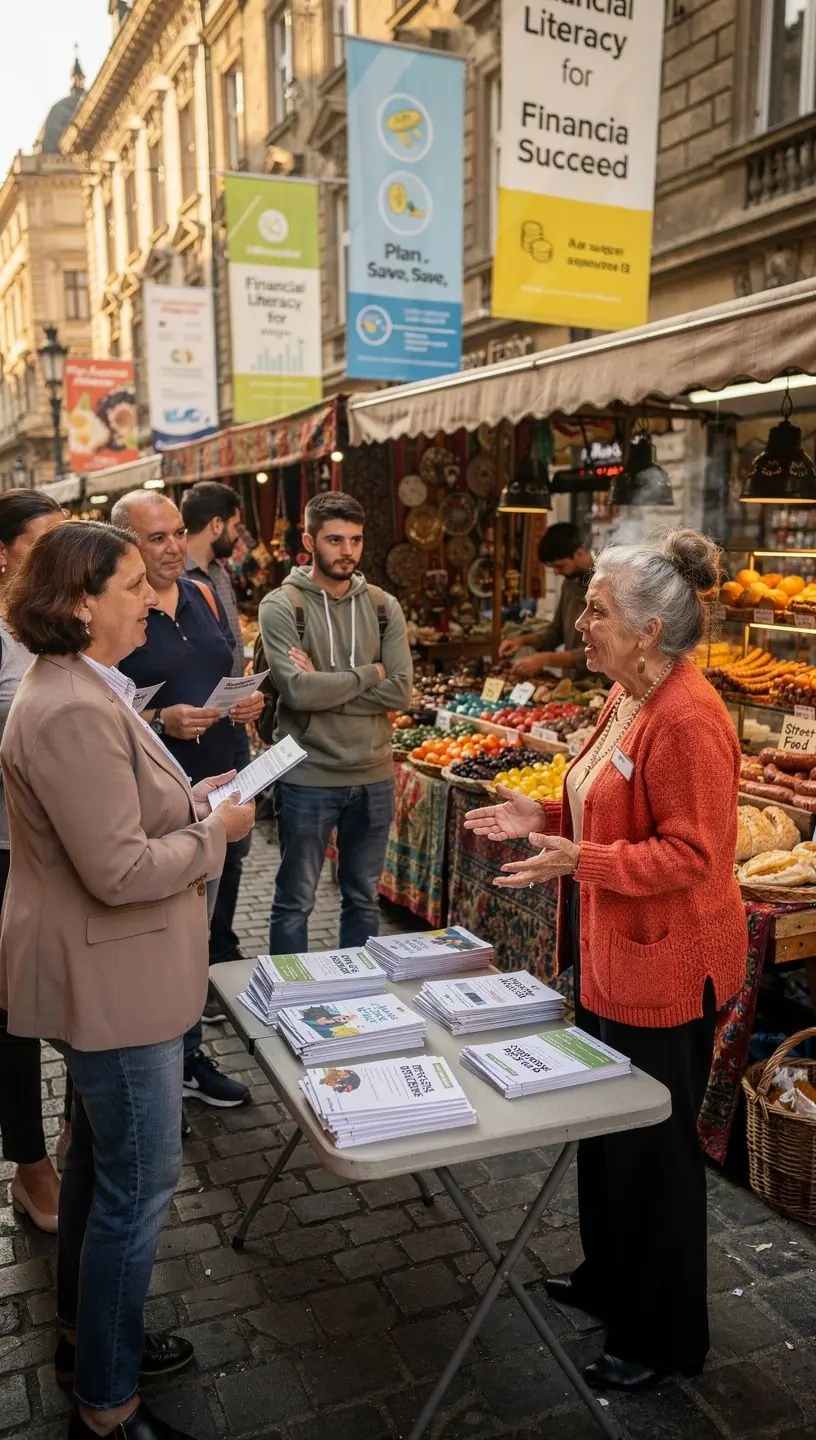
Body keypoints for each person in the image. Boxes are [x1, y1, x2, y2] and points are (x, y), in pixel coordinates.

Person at [465, 528, 747, 1391]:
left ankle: (664, 1335)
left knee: (656, 1154)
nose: (581, 623)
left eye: (596, 610)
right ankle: (607, 1277)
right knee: (604, 1129)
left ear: (649, 630)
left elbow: (693, 853)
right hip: (614, 956)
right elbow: (604, 804)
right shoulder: (624, 696)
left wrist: (576, 860)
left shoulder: (689, 718)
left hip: (667, 966)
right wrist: (542, 818)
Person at [0, 521, 255, 1440]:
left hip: (116, 970)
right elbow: (114, 870)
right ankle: (107, 1404)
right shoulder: (68, 704)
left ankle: (89, 1336)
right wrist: (212, 835)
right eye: (132, 585)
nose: (151, 599)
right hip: (115, 977)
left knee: (99, 1166)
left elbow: (116, 816)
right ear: (80, 603)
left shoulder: (85, 689)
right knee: (134, 1187)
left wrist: (189, 799)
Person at [111, 491, 263, 1106]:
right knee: (166, 940)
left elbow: (224, 662)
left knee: (198, 935)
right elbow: (103, 707)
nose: (174, 546)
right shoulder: (115, 611)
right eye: (157, 538)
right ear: (126, 544)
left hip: (219, 780)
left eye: (178, 533)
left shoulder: (199, 593)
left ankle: (185, 1055)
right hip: (157, 796)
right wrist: (159, 721)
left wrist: (244, 701)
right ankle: (164, 1064)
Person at [260, 492, 412, 953]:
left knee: (363, 900)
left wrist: (324, 689)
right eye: (334, 539)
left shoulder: (384, 606)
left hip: (374, 776)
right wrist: (369, 674)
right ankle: (287, 1000)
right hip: (308, 776)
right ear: (308, 541)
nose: (347, 551)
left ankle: (361, 997)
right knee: (295, 901)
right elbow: (297, 691)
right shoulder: (282, 606)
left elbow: (401, 691)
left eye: (355, 540)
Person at [0, 489, 66, 1231]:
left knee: (80, 1002)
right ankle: (30, 1165)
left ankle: (76, 1137)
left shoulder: (58, 628)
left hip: (62, 848)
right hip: (6, 850)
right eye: (42, 541)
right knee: (12, 1019)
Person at [181, 482, 250, 987]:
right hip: (190, 745)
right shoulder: (177, 582)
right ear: (220, 524)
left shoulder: (217, 576)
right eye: (239, 525)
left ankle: (221, 945)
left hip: (231, 730)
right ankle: (197, 960)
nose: (240, 536)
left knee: (237, 845)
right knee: (204, 847)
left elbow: (230, 649)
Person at [498, 522, 593, 678]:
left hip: (601, 685)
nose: (556, 572)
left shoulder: (605, 586)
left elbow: (600, 650)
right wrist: (523, 640)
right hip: (572, 683)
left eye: (560, 566)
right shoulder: (570, 583)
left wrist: (544, 659)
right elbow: (556, 631)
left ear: (580, 553)